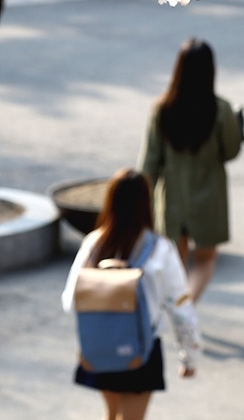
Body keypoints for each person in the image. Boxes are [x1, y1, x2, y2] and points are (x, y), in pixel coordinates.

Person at [61, 169, 202, 420]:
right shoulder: (161, 249)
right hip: (141, 351)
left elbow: (71, 299)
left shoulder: (95, 243)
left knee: (111, 414)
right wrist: (189, 357)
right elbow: (181, 308)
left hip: (100, 347)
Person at [138, 38, 244, 303]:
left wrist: (143, 204)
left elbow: (149, 161)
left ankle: (180, 308)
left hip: (172, 199)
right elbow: (230, 151)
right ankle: (187, 307)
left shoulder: (162, 108)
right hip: (208, 198)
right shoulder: (220, 109)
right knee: (205, 261)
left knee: (175, 264)